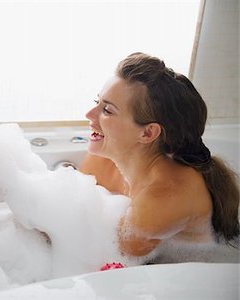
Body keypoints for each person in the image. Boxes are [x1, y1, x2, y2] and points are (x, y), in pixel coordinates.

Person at [80, 52, 239, 259]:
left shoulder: (165, 198)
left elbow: (115, 256)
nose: (89, 114)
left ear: (147, 133)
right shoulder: (104, 155)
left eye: (108, 110)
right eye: (97, 102)